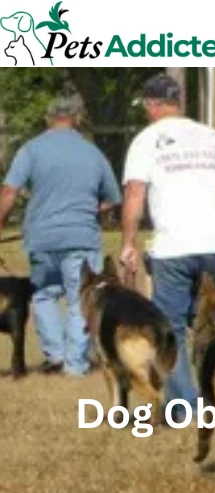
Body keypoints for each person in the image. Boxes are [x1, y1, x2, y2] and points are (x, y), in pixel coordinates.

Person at [120, 73, 215, 418]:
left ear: (152, 105)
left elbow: (135, 195)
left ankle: (185, 408)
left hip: (172, 248)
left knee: (170, 328)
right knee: (212, 324)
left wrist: (128, 242)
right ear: (179, 103)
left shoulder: (147, 140)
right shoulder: (212, 137)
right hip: (212, 245)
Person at [0, 94, 121, 376]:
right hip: (81, 235)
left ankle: (55, 354)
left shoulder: (30, 150)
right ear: (77, 118)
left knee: (43, 295)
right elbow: (113, 198)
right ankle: (75, 363)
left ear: (47, 119)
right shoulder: (93, 153)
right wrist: (91, 210)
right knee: (80, 297)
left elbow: (8, 192)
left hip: (41, 236)